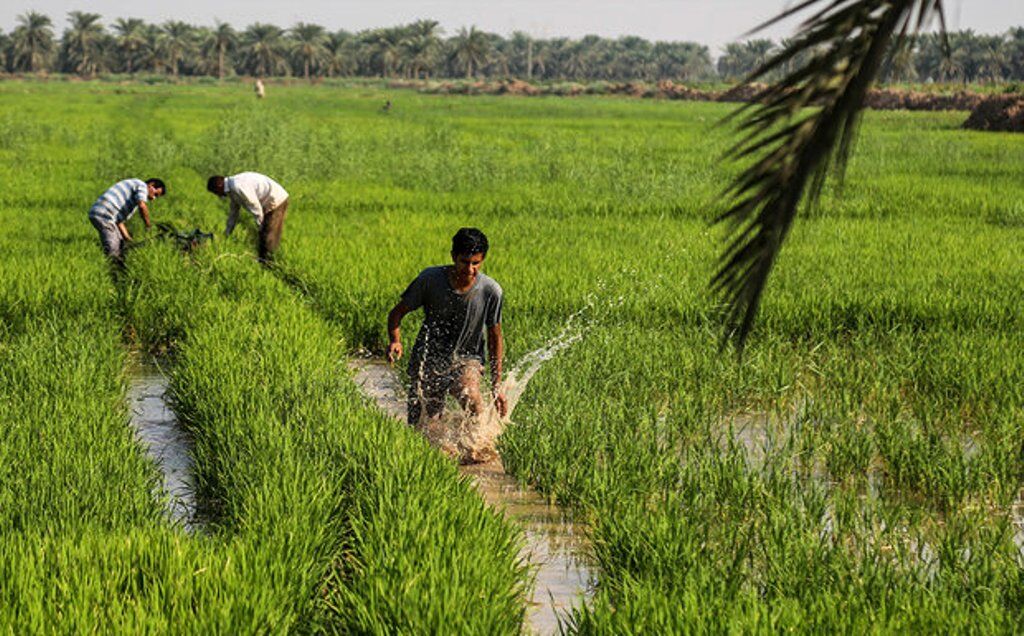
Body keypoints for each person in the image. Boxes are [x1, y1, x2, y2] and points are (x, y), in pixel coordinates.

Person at [387, 228, 508, 426]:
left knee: (472, 399)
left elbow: (495, 338)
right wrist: (395, 341)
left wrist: (497, 385)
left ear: (483, 260)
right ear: (453, 256)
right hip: (428, 358)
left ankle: (479, 451)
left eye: (475, 263)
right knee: (424, 423)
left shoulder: (491, 291)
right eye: (464, 262)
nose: (469, 269)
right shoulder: (430, 280)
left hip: (467, 359)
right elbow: (396, 313)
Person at [206, 172, 289, 262]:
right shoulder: (232, 189)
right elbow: (233, 213)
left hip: (276, 199)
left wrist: (260, 224)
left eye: (216, 192)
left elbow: (254, 204)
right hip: (268, 201)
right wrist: (227, 233)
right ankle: (263, 260)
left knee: (268, 233)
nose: (219, 196)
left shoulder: (237, 186)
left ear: (219, 185)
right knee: (264, 232)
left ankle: (269, 262)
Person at [88, 177, 166, 264]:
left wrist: (128, 239)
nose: (153, 198)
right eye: (155, 194)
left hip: (107, 215)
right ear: (151, 185)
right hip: (104, 213)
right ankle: (112, 267)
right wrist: (148, 225)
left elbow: (119, 222)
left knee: (120, 243)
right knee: (113, 246)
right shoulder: (142, 185)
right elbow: (142, 206)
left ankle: (115, 264)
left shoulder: (132, 198)